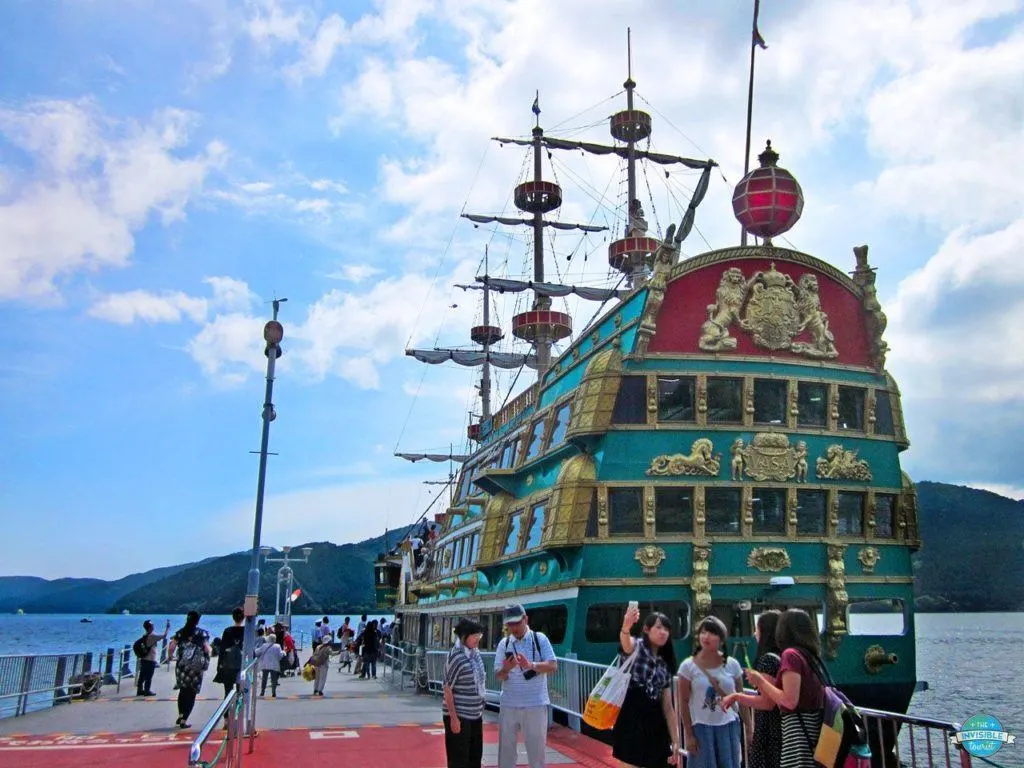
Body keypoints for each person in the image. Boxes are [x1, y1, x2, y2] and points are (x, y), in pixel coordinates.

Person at [722, 609, 824, 768]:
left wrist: (758, 682)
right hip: (813, 726)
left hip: (792, 731)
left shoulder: (789, 656)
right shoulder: (811, 655)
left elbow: (787, 701)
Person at [677, 615, 750, 768]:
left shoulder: (732, 665)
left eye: (712, 633)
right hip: (701, 728)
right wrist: (689, 735)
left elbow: (741, 698)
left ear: (721, 639)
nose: (706, 636)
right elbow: (683, 702)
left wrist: (749, 728)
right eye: (703, 632)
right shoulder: (687, 666)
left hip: (729, 725)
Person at [612, 605, 680, 768]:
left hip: (655, 725)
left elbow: (667, 706)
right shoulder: (637, 647)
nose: (663, 632)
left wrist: (676, 740)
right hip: (632, 721)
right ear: (646, 629)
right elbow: (626, 644)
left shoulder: (664, 663)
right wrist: (626, 627)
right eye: (658, 627)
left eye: (666, 629)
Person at [493, 604, 557, 768]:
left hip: (535, 704)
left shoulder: (540, 639)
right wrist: (506, 668)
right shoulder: (504, 643)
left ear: (525, 619)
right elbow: (499, 676)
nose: (513, 628)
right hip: (509, 705)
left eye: (516, 623)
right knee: (506, 754)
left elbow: (552, 665)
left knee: (537, 754)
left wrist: (531, 665)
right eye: (509, 624)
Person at [443, 618, 486, 768]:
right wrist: (454, 719)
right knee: (459, 760)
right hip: (460, 716)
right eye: (475, 636)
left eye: (479, 636)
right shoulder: (456, 656)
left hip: (475, 715)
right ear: (464, 637)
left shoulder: (475, 654)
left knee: (475, 758)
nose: (478, 640)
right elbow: (447, 689)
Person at [167, 611, 212, 729]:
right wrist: (208, 656)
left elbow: (171, 646)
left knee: (183, 691)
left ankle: (181, 714)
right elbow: (207, 649)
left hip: (181, 666)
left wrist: (170, 656)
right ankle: (184, 719)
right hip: (195, 668)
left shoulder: (180, 632)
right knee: (191, 693)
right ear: (197, 620)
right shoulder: (202, 633)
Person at [136, 619, 170, 697]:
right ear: (150, 627)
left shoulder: (145, 635)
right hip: (150, 659)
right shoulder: (152, 636)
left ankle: (140, 690)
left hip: (144, 658)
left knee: (142, 675)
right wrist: (167, 628)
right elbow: (164, 636)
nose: (153, 626)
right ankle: (147, 691)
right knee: (149, 676)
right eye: (152, 625)